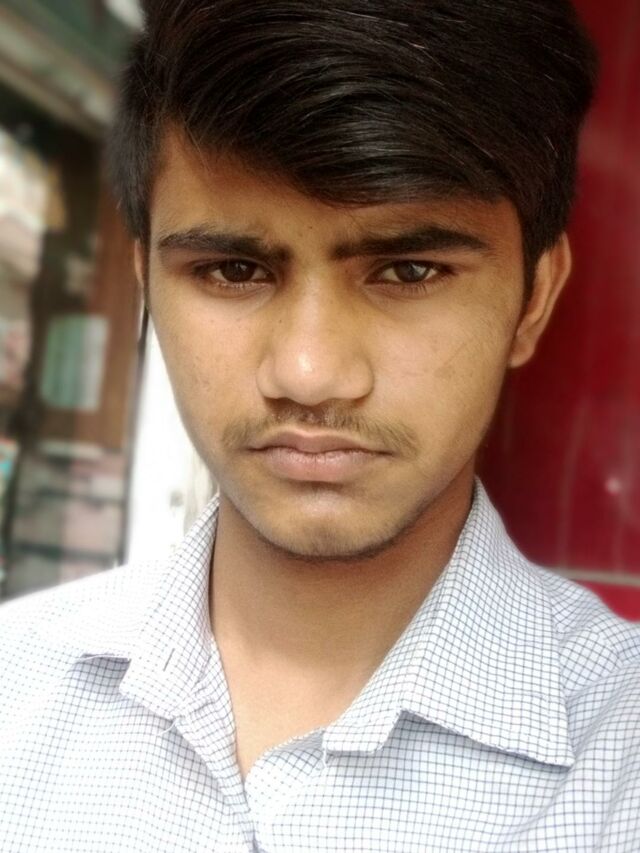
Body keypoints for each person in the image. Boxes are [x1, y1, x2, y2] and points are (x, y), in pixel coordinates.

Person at [1, 1, 639, 850]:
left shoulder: (621, 759)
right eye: (233, 270)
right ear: (147, 286)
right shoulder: (15, 686)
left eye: (408, 270)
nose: (309, 373)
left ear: (533, 299)